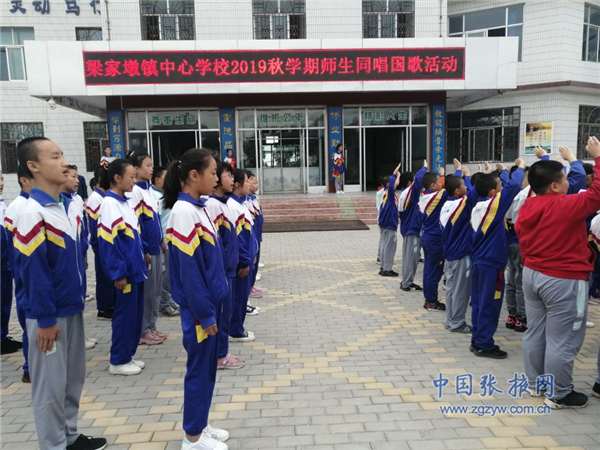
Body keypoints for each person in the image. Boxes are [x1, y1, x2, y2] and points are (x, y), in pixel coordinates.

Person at [13, 136, 106, 450]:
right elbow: (33, 272)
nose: (64, 162)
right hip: (48, 315)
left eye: (62, 154)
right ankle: (53, 445)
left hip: (71, 307)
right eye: (55, 156)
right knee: (49, 387)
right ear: (33, 166)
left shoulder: (65, 205)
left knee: (71, 380)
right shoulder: (32, 212)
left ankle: (69, 436)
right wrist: (45, 319)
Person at [517, 136, 600, 409]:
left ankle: (535, 383)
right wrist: (598, 158)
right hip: (563, 279)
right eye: (564, 179)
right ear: (554, 186)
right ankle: (559, 393)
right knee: (563, 339)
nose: (569, 183)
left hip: (533, 275)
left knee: (535, 332)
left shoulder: (528, 205)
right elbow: (597, 194)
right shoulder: (564, 205)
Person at [163, 149, 230, 450]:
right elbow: (189, 272)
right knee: (198, 371)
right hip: (199, 310)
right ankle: (192, 438)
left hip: (209, 304)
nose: (217, 178)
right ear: (193, 175)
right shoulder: (183, 212)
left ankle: (200, 425)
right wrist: (205, 312)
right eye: (213, 172)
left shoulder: (198, 207)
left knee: (207, 370)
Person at [470, 158, 526, 359]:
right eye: (500, 186)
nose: (503, 188)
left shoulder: (479, 205)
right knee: (490, 305)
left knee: (479, 303)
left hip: (480, 262)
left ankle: (477, 339)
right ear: (492, 193)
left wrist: (498, 172)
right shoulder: (492, 207)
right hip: (490, 265)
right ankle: (485, 344)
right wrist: (517, 168)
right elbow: (515, 186)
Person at [98, 159, 147, 376]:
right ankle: (118, 360)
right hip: (125, 274)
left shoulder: (124, 202)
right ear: (117, 178)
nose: (134, 181)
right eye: (131, 177)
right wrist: (118, 273)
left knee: (134, 317)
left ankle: (128, 354)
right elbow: (108, 242)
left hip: (135, 271)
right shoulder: (109, 204)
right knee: (124, 317)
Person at [206, 162, 245, 370]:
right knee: (221, 315)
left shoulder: (224, 203)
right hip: (222, 270)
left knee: (226, 314)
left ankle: (223, 351)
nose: (232, 179)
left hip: (230, 268)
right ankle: (219, 355)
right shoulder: (212, 205)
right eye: (227, 175)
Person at [127, 152, 166, 345]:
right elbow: (137, 223)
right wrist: (144, 249)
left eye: (152, 165)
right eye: (147, 165)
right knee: (148, 291)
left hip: (156, 247)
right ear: (135, 168)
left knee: (155, 290)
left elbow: (155, 220)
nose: (151, 169)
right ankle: (143, 330)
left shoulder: (150, 191)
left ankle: (151, 325)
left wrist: (161, 240)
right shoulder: (135, 192)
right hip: (148, 249)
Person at [60, 165, 96, 351]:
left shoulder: (74, 199)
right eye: (73, 177)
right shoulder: (57, 203)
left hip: (78, 256)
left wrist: (83, 253)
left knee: (79, 294)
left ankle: (79, 334)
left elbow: (81, 229)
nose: (77, 181)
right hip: (67, 262)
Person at [4, 165, 34, 381]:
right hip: (25, 275)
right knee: (30, 324)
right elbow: (12, 247)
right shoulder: (18, 207)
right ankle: (29, 368)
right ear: (24, 180)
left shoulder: (34, 204)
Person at [419, 164, 461, 312]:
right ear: (433, 186)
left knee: (428, 270)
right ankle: (431, 301)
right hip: (435, 239)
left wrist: (441, 174)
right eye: (438, 182)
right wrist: (458, 170)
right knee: (434, 271)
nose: (441, 184)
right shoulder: (437, 196)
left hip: (427, 237)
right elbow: (453, 186)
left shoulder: (425, 195)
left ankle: (429, 299)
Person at [440, 161, 475, 333]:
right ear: (457, 191)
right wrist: (467, 176)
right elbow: (473, 194)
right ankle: (458, 322)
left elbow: (455, 187)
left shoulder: (447, 204)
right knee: (461, 290)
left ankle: (450, 319)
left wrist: (459, 172)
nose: (466, 188)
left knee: (452, 288)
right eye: (463, 186)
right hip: (461, 255)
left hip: (450, 255)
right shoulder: (461, 206)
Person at [228, 168, 258, 343]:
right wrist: (245, 260)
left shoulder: (240, 203)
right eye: (247, 181)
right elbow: (238, 238)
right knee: (238, 297)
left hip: (247, 258)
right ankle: (235, 329)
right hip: (242, 262)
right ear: (238, 184)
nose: (249, 184)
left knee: (241, 296)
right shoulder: (233, 206)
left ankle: (238, 327)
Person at [86, 166, 115, 321]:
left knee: (107, 276)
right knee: (103, 277)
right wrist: (97, 244)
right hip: (100, 244)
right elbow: (94, 224)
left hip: (104, 243)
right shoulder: (96, 198)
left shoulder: (104, 197)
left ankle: (109, 304)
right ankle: (103, 308)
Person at [151, 166, 180, 318]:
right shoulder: (156, 197)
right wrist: (161, 240)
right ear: (157, 180)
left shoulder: (164, 195)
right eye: (165, 177)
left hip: (170, 240)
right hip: (164, 242)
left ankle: (168, 300)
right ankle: (163, 304)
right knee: (165, 276)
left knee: (170, 274)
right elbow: (157, 222)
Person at [0, 169, 23, 356]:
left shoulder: (3, 204)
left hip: (5, 264)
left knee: (5, 301)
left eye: (1, 179)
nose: (1, 183)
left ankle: (3, 335)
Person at [399, 167, 425, 292]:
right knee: (411, 258)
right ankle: (407, 283)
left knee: (409, 257)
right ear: (410, 182)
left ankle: (406, 280)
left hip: (410, 228)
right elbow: (419, 180)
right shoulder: (410, 193)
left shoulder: (406, 193)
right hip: (412, 229)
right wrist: (425, 167)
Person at [377, 163, 402, 277]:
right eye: (395, 181)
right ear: (389, 184)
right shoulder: (389, 193)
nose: (397, 182)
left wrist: (397, 176)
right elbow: (393, 185)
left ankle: (384, 266)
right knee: (389, 247)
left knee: (385, 245)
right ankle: (387, 269)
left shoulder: (386, 193)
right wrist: (395, 174)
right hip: (389, 223)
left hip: (385, 223)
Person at [246, 171, 263, 306]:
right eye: (253, 182)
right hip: (252, 237)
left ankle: (251, 286)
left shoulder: (254, 199)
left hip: (257, 236)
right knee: (251, 263)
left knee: (255, 263)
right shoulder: (245, 201)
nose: (256, 185)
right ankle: (249, 288)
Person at [375, 177, 386, 264]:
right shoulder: (383, 193)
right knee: (383, 238)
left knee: (383, 238)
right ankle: (381, 257)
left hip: (381, 217)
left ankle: (380, 256)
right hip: (383, 218)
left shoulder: (379, 192)